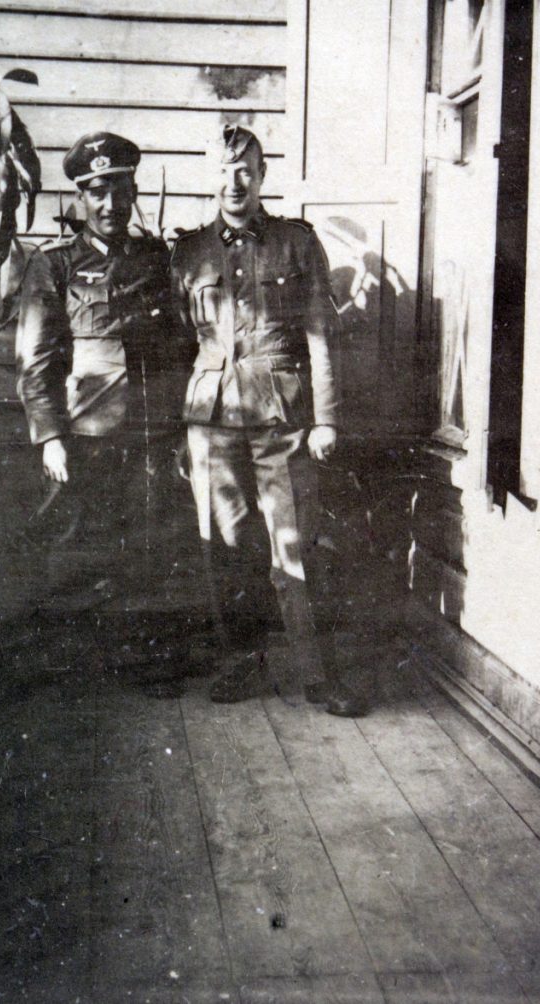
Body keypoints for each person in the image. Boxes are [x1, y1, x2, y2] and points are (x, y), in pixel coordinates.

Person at [170, 124, 367, 717]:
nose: (234, 182)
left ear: (261, 176)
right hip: (211, 421)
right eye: (222, 171)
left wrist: (326, 419)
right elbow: (184, 340)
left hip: (282, 418)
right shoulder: (186, 253)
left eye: (245, 170)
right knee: (224, 546)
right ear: (210, 177)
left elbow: (320, 337)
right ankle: (241, 663)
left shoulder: (296, 244)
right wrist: (185, 428)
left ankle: (315, 673)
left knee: (294, 545)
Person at [15, 131, 178, 575]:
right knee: (77, 554)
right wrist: (50, 438)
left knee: (147, 556)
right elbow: (35, 361)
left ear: (134, 193)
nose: (111, 205)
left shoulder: (156, 258)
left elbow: (177, 346)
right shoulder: (55, 263)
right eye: (99, 194)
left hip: (150, 436)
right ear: (81, 197)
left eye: (120, 193)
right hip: (85, 437)